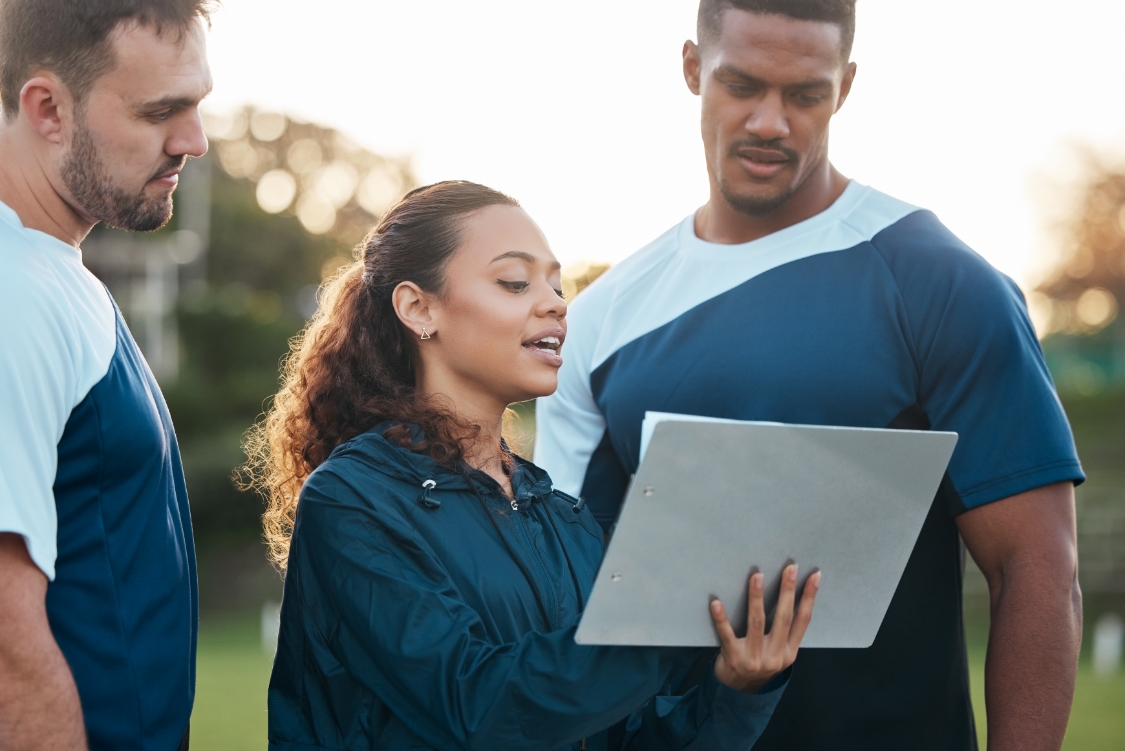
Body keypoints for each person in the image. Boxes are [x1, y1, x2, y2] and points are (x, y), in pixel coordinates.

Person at [535, 1, 1084, 750]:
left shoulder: (941, 283)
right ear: (693, 68)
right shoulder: (598, 322)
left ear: (845, 86)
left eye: (804, 94)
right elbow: (568, 596)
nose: (770, 121)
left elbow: (1036, 566)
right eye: (742, 85)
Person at [245, 180, 822, 750]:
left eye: (555, 283)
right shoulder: (353, 499)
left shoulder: (563, 517)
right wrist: (661, 619)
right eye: (515, 282)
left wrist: (738, 686)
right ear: (419, 308)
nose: (555, 303)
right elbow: (475, 704)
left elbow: (617, 737)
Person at [0, 1, 212, 748]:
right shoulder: (13, 292)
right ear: (47, 108)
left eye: (196, 105)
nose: (195, 141)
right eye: (162, 112)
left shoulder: (51, 272)